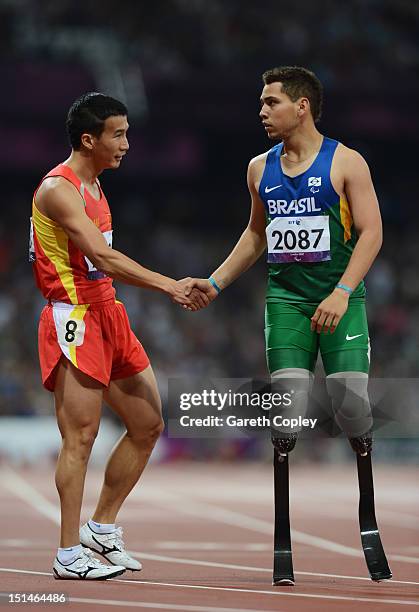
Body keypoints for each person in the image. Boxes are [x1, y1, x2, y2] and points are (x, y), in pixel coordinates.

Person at [30, 92, 207, 580]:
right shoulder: (57, 189)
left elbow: (101, 264)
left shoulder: (97, 185)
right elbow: (104, 259)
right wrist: (171, 285)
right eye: (119, 134)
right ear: (89, 139)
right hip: (76, 319)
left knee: (149, 423)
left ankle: (102, 528)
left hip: (110, 315)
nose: (127, 143)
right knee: (81, 438)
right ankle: (68, 554)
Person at [184, 65, 382, 455]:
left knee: (350, 406)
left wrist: (342, 292)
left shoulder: (346, 162)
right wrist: (216, 281)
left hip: (340, 299)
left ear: (301, 106)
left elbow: (371, 232)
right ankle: (281, 518)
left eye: (271, 102)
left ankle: (367, 509)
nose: (262, 111)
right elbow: (256, 233)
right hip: (286, 300)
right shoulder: (259, 168)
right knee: (286, 411)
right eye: (261, 103)